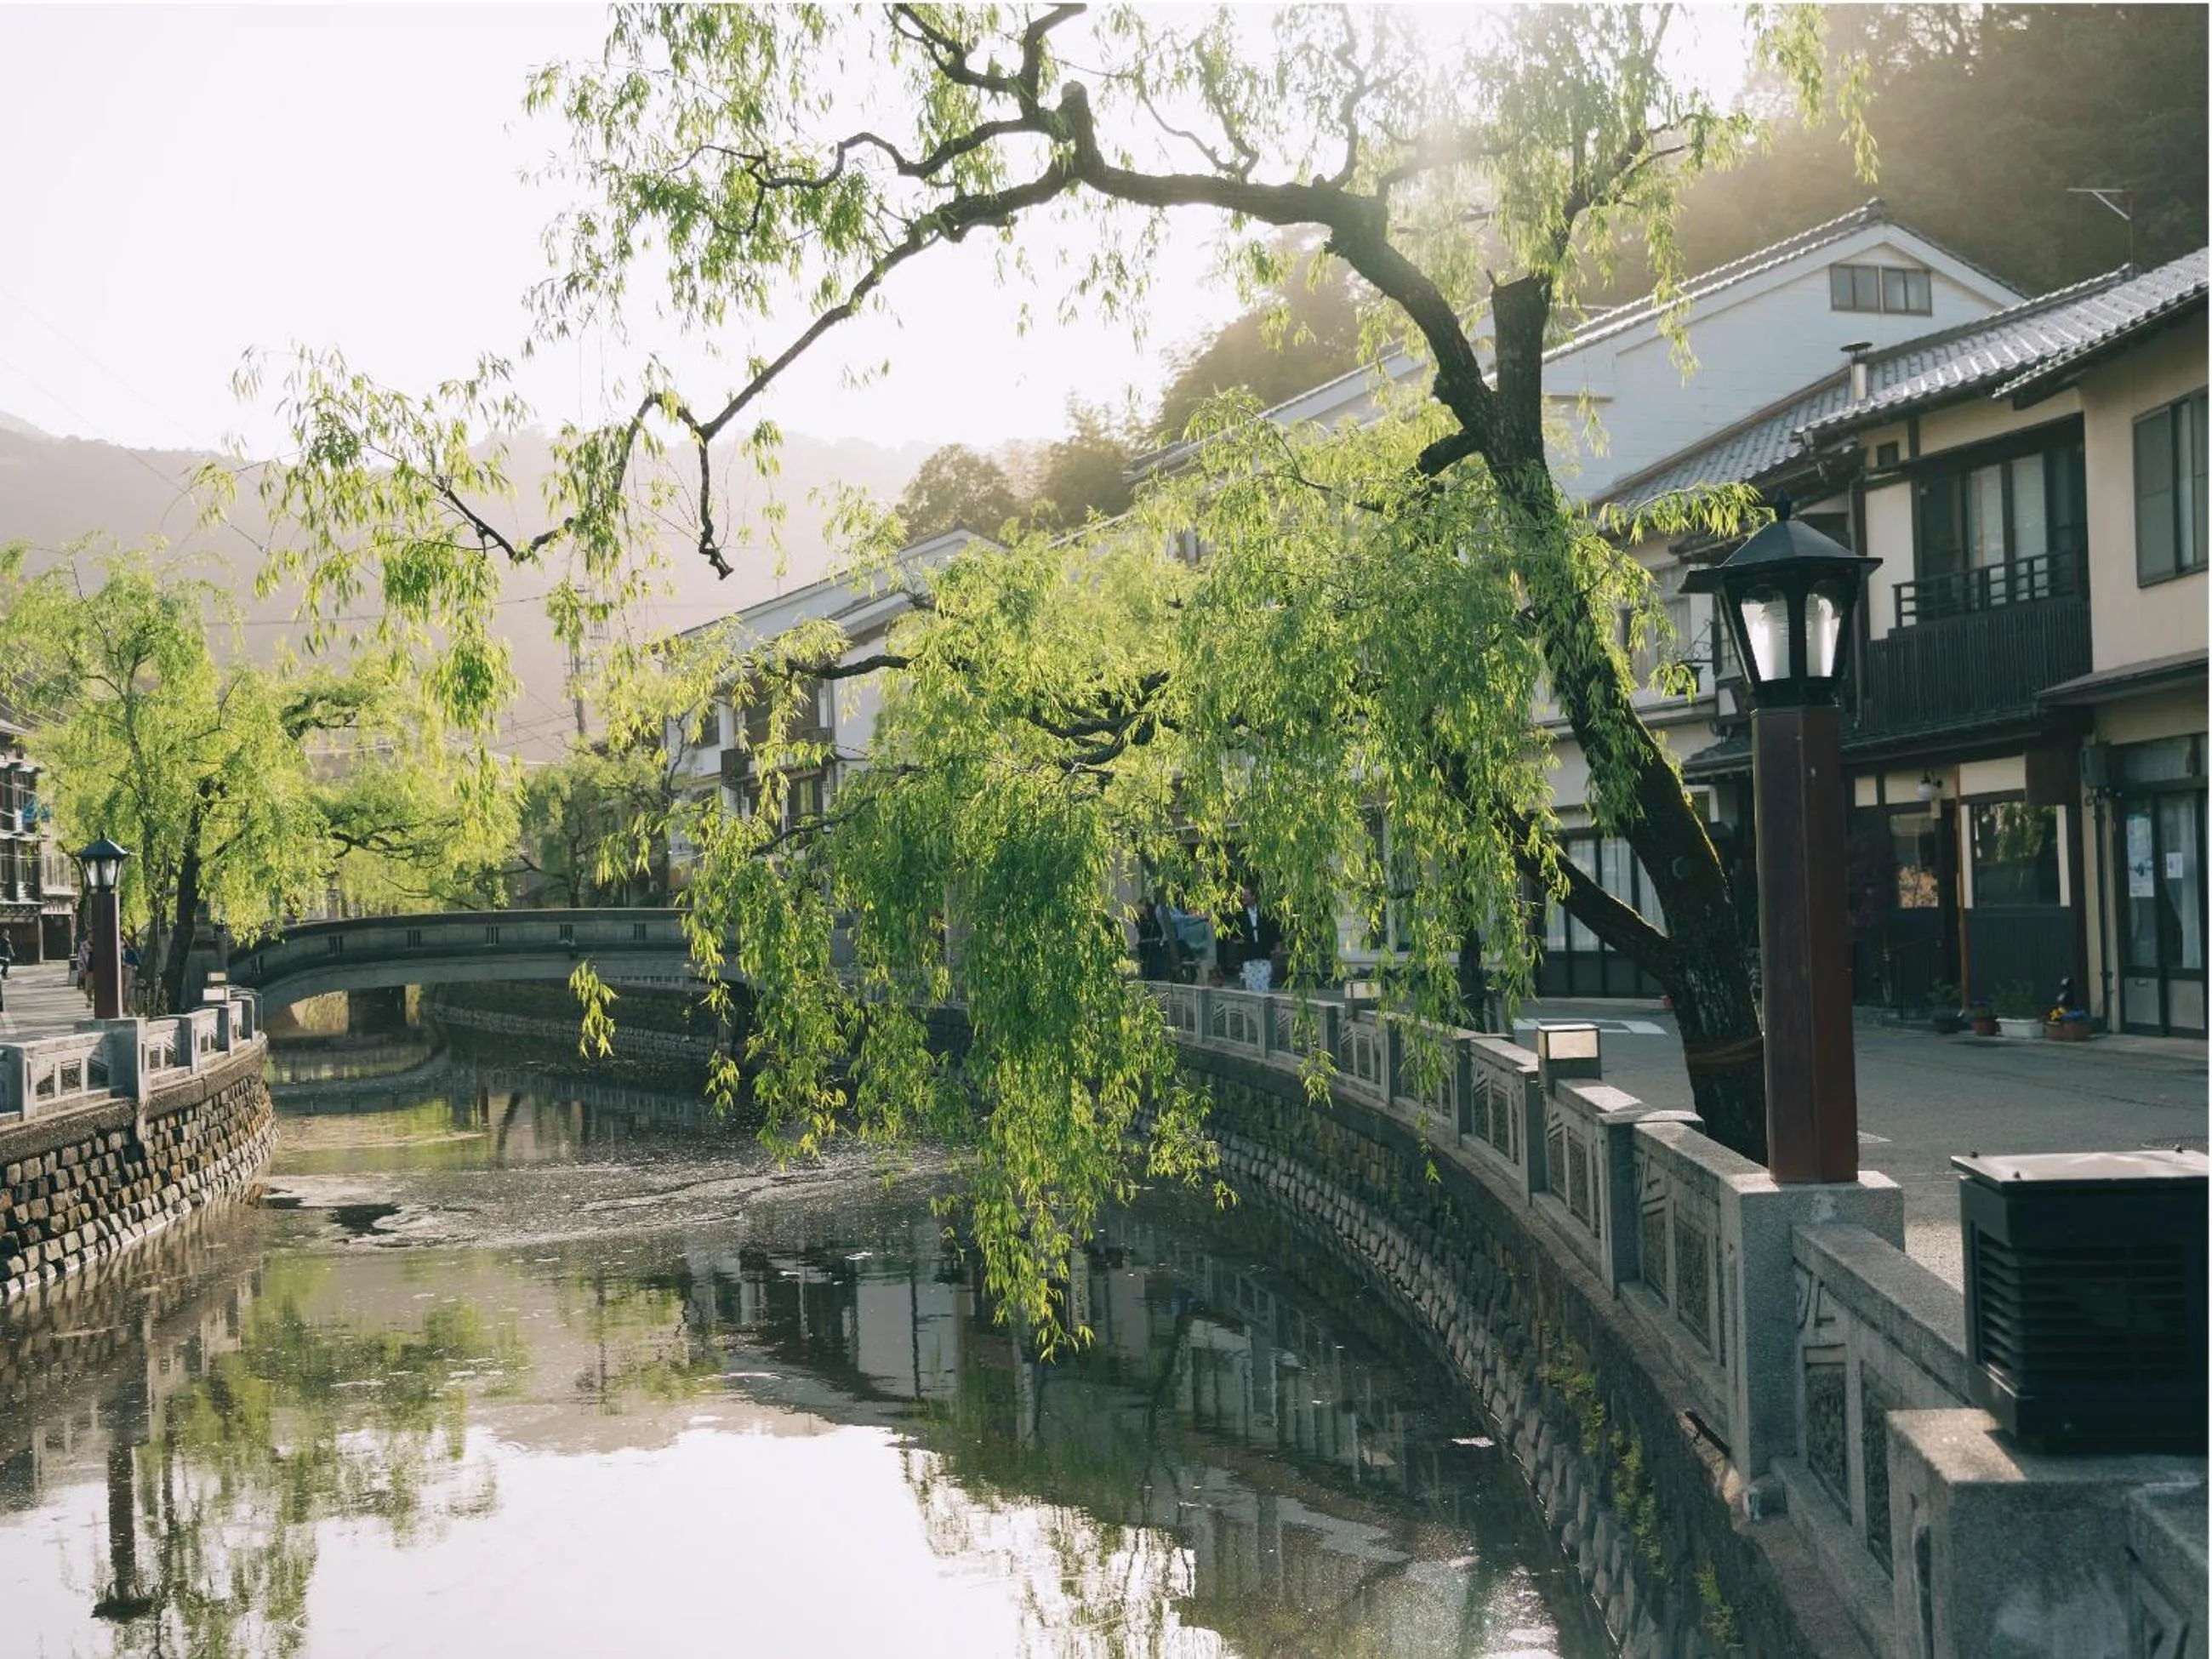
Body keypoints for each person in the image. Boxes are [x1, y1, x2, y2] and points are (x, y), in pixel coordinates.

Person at [1221, 882, 1283, 994]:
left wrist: (1277, 946)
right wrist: (1236, 940)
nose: (1244, 898)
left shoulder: (1265, 912)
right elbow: (1227, 927)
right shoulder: (1239, 914)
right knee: (1251, 983)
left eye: (1246, 895)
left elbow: (1275, 930)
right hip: (1248, 953)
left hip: (1264, 951)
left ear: (1253, 896)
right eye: (1243, 895)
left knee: (1264, 982)